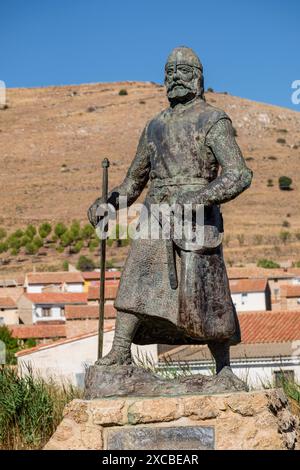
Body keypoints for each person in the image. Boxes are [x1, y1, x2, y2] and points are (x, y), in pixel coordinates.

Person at [88, 46, 252, 373]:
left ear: (198, 77)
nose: (176, 77)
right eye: (170, 72)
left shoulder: (213, 120)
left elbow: (239, 174)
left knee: (206, 294)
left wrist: (199, 198)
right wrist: (108, 204)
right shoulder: (154, 127)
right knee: (134, 280)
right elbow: (134, 181)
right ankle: (120, 352)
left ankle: (223, 369)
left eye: (183, 71)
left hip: (196, 220)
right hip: (155, 215)